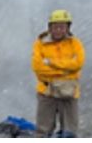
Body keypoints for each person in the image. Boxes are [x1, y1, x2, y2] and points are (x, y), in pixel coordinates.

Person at [31, 9, 84, 137]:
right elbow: (38, 67)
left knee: (70, 131)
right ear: (50, 28)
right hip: (46, 92)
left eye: (62, 27)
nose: (59, 30)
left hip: (69, 93)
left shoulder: (75, 43)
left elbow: (78, 64)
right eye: (55, 27)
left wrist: (51, 64)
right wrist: (66, 70)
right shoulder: (40, 44)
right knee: (43, 130)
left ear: (68, 28)